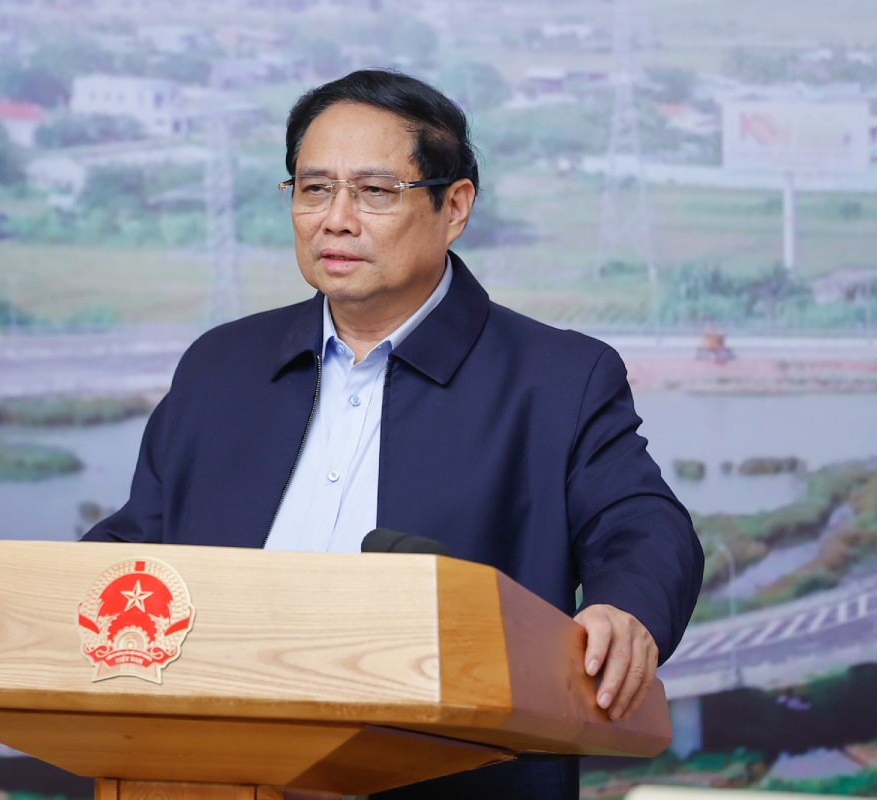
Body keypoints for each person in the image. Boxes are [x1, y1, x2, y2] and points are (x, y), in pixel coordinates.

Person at [84, 69, 704, 799]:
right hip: (205, 774)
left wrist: (625, 609)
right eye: (314, 189)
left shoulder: (558, 378)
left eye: (374, 192)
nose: (336, 219)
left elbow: (643, 527)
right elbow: (135, 552)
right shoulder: (221, 367)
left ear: (455, 207)